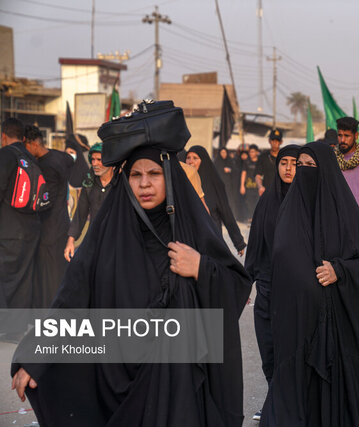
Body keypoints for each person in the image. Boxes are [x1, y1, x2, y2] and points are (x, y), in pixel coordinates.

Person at [11, 106, 252, 426]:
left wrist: (200, 267)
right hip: (114, 376)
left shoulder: (191, 227)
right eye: (136, 175)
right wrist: (35, 355)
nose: (145, 184)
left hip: (176, 382)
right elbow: (72, 296)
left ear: (168, 177)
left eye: (153, 174)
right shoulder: (108, 229)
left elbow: (236, 284)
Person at [261, 141, 359, 426]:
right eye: (299, 166)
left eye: (310, 166)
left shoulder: (346, 214)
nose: (303, 171)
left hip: (335, 326)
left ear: (325, 170)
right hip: (297, 325)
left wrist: (339, 270)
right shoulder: (288, 213)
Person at [244, 144, 300, 421]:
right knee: (268, 350)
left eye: (294, 163)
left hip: (297, 290)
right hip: (267, 286)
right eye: (283, 163)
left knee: (290, 350)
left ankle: (280, 406)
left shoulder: (309, 202)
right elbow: (254, 246)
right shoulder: (267, 201)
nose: (288, 168)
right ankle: (274, 399)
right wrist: (246, 282)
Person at [23, 125, 73, 308]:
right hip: (62, 224)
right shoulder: (60, 156)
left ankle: (51, 313)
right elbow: (71, 162)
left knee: (50, 275)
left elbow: (45, 201)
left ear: (34, 143)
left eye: (25, 146)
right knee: (57, 271)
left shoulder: (46, 166)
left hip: (49, 228)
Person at [0, 118, 40, 308]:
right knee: (24, 279)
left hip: (8, 231)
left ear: (3, 136)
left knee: (4, 278)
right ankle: (16, 329)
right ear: (24, 138)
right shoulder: (30, 157)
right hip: (31, 229)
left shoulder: (5, 155)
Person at [186, 146, 246, 255]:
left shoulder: (214, 184)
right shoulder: (183, 183)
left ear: (203, 161)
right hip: (189, 241)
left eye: (195, 158)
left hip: (211, 240)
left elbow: (226, 213)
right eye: (188, 158)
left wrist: (238, 242)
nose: (191, 162)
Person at [64, 143, 115, 262]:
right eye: (92, 159)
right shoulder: (89, 183)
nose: (95, 163)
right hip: (94, 241)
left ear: (111, 161)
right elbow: (80, 214)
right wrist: (70, 241)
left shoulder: (121, 184)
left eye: (99, 160)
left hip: (116, 241)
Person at [256, 129, 282, 196]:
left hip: (282, 192)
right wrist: (260, 187)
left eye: (277, 141)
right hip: (267, 192)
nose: (275, 143)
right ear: (269, 141)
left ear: (281, 142)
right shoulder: (263, 156)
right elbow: (258, 175)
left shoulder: (284, 157)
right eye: (273, 140)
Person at [215, 147, 238, 216]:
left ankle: (231, 215)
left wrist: (229, 170)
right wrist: (222, 170)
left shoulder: (230, 161)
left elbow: (235, 171)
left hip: (229, 185)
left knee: (229, 200)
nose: (224, 154)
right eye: (222, 152)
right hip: (219, 185)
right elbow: (214, 171)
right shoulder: (217, 161)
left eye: (225, 152)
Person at [240, 144, 260, 220]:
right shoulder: (246, 162)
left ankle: (257, 218)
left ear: (257, 152)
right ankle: (250, 218)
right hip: (249, 185)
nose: (251, 153)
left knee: (257, 202)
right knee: (249, 203)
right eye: (250, 152)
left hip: (258, 186)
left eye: (253, 152)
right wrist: (242, 186)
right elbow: (243, 173)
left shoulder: (260, 161)